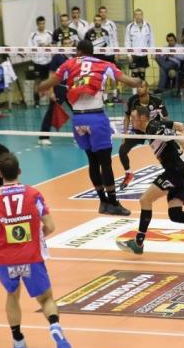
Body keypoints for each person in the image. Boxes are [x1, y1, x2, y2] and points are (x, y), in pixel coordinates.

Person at [0, 152, 72, 348]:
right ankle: (54, 325)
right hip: (31, 257)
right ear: (19, 171)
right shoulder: (33, 194)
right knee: (46, 299)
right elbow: (50, 226)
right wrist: (38, 236)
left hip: (5, 260)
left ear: (0, 174)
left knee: (12, 294)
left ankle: (18, 340)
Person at [38, 40, 142, 216]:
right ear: (92, 52)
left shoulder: (68, 64)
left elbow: (49, 83)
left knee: (92, 161)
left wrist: (40, 87)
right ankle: (113, 202)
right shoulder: (103, 64)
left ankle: (103, 202)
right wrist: (139, 80)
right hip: (96, 118)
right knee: (105, 162)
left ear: (78, 51)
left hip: (78, 120)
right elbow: (130, 82)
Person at [115, 105, 184, 255]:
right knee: (175, 214)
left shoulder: (155, 129)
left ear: (142, 118)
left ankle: (138, 243)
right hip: (180, 170)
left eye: (133, 118)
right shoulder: (154, 125)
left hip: (176, 171)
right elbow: (180, 126)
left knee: (145, 200)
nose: (131, 121)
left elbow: (180, 135)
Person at [119, 80, 168, 189]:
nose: (138, 89)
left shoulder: (157, 101)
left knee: (162, 155)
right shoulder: (132, 100)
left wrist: (164, 132)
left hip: (153, 131)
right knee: (122, 150)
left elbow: (165, 118)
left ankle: (168, 173)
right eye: (137, 87)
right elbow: (127, 116)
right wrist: (125, 134)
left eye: (141, 87)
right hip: (138, 130)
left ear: (147, 89)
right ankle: (128, 174)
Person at [38, 35, 74, 145]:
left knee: (78, 111)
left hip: (71, 89)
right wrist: (51, 91)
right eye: (65, 44)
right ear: (61, 45)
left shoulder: (74, 57)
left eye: (69, 43)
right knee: (51, 111)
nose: (68, 45)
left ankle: (80, 135)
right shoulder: (57, 58)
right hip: (59, 88)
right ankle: (43, 137)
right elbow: (51, 76)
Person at [27, 16, 53, 108]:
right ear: (37, 24)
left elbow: (54, 45)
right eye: (40, 24)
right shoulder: (33, 35)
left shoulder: (49, 33)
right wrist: (38, 46)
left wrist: (49, 45)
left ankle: (51, 101)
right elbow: (29, 48)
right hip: (37, 62)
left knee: (50, 81)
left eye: (43, 23)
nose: (42, 25)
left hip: (48, 60)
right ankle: (36, 102)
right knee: (37, 81)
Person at [124, 8, 153, 92]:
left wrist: (152, 52)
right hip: (134, 55)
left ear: (142, 15)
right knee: (134, 75)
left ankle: (142, 92)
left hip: (143, 54)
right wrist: (128, 54)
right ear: (134, 16)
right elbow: (127, 41)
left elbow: (151, 40)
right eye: (136, 15)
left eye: (140, 14)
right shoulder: (130, 26)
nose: (138, 16)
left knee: (142, 74)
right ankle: (135, 94)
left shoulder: (148, 25)